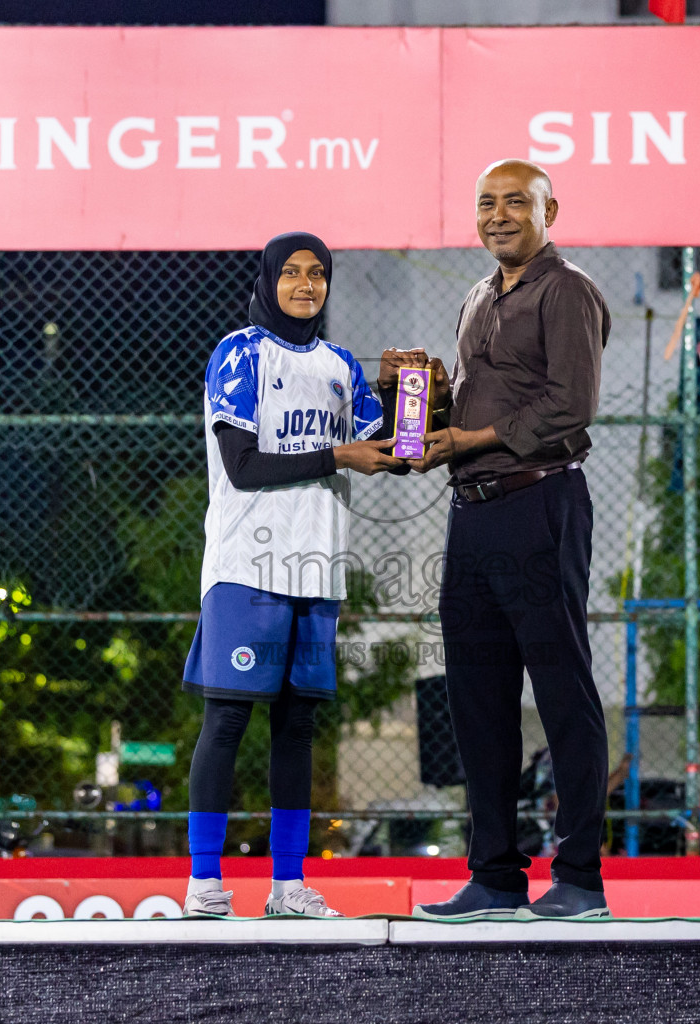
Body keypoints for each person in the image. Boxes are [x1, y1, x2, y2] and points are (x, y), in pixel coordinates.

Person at [395, 159, 613, 921]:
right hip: (472, 513)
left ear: (551, 209)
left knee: (561, 694)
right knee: (476, 702)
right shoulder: (475, 296)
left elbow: (569, 406)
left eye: (516, 201)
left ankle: (580, 877)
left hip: (540, 504)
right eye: (486, 201)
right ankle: (494, 876)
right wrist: (422, 397)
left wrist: (463, 436)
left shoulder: (569, 291)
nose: (498, 214)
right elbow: (472, 397)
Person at [182, 231, 402, 917]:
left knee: (297, 728)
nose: (307, 285)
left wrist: (407, 398)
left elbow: (387, 450)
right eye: (294, 273)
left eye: (318, 274)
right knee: (226, 721)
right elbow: (244, 467)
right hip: (247, 564)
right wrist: (340, 454)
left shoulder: (340, 364)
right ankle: (203, 883)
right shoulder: (239, 352)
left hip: (318, 569)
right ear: (270, 278)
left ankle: (287, 887)